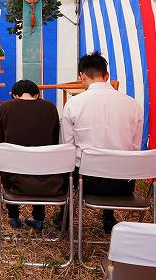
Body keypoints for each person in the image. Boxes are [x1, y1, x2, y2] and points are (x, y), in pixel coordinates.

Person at [60, 51, 144, 233]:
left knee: (69, 163)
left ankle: (64, 217)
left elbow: (66, 146)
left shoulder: (73, 104)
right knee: (115, 156)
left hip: (87, 182)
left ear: (82, 76)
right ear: (106, 76)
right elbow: (135, 148)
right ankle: (108, 217)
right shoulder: (133, 105)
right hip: (124, 183)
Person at [0, 79, 63, 231]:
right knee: (40, 162)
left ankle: (13, 216)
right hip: (47, 178)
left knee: (8, 161)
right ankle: (38, 218)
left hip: (13, 180)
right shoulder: (50, 108)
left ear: (14, 95)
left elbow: (0, 144)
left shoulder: (5, 108)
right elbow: (55, 141)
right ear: (37, 95)